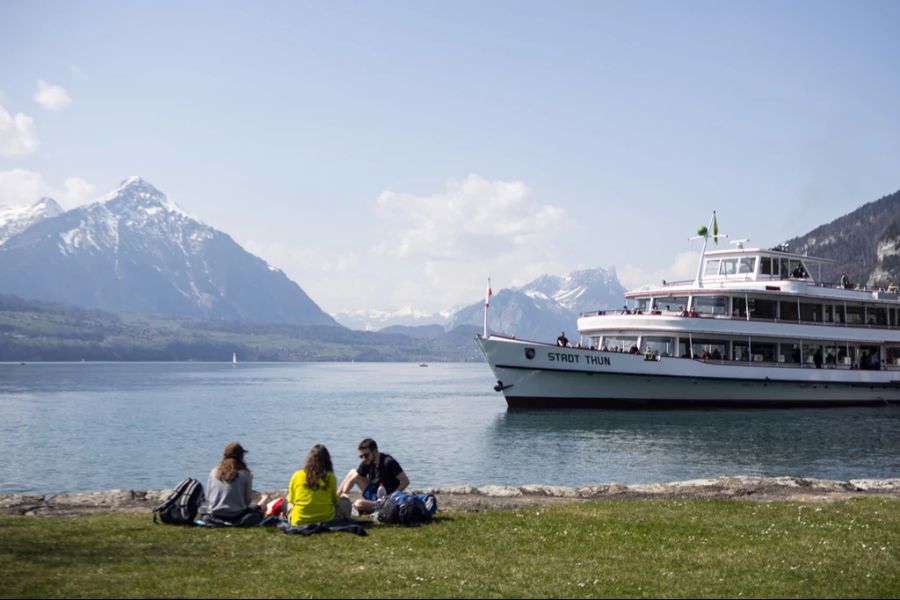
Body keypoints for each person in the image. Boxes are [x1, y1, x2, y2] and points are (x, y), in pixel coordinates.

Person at [338, 438, 409, 515]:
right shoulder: (367, 462)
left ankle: (339, 502)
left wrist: (391, 496)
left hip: (385, 500)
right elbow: (355, 477)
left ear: (375, 451)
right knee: (352, 472)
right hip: (375, 492)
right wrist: (343, 492)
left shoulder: (388, 462)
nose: (364, 459)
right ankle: (336, 498)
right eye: (361, 456)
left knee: (358, 504)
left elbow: (405, 481)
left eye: (366, 455)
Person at [206, 441, 269, 526]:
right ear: (241, 456)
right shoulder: (245, 473)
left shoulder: (213, 472)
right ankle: (264, 498)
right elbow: (247, 502)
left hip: (214, 514)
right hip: (236, 516)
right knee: (257, 509)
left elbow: (209, 497)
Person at [287, 444, 351, 525]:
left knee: (286, 501)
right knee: (346, 501)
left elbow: (292, 500)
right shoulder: (330, 476)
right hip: (326, 519)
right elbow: (335, 501)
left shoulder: (297, 475)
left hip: (299, 521)